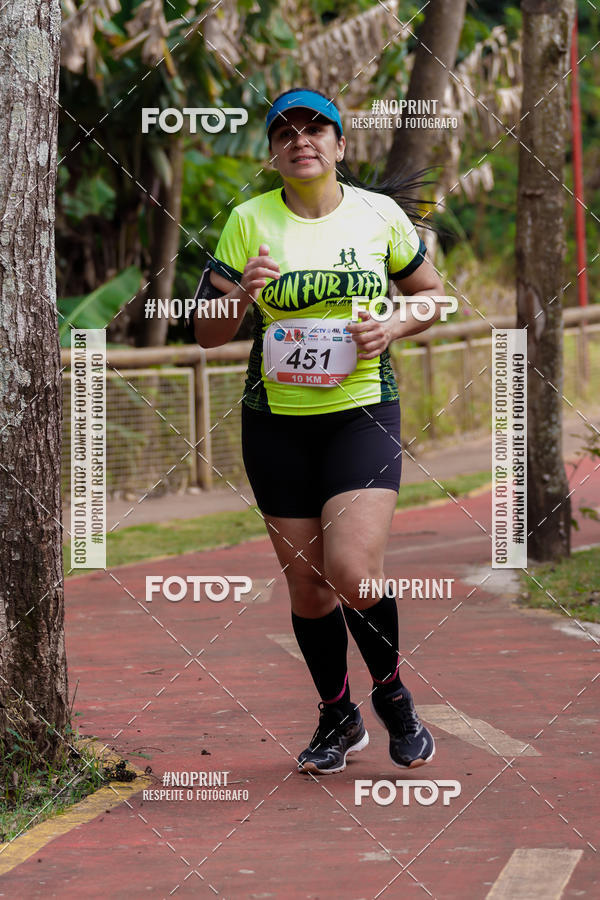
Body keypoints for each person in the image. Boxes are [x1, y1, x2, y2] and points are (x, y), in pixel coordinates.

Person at [190, 88, 445, 775]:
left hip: (362, 411)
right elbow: (207, 334)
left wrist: (393, 324)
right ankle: (338, 715)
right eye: (285, 132)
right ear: (273, 153)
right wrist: (239, 295)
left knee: (353, 573)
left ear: (338, 145)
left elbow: (433, 296)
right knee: (308, 590)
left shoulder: (379, 215)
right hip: (276, 423)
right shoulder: (247, 221)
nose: (301, 139)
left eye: (315, 128)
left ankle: (392, 696)